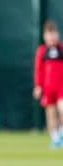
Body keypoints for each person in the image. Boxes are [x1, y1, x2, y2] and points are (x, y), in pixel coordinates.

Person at [32, 20, 63, 148]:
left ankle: (61, 134)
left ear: (57, 34)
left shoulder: (61, 49)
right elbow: (38, 70)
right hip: (48, 88)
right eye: (48, 35)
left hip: (61, 87)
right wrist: (38, 86)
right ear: (45, 36)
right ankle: (55, 138)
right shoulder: (42, 51)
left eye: (53, 34)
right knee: (50, 115)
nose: (51, 37)